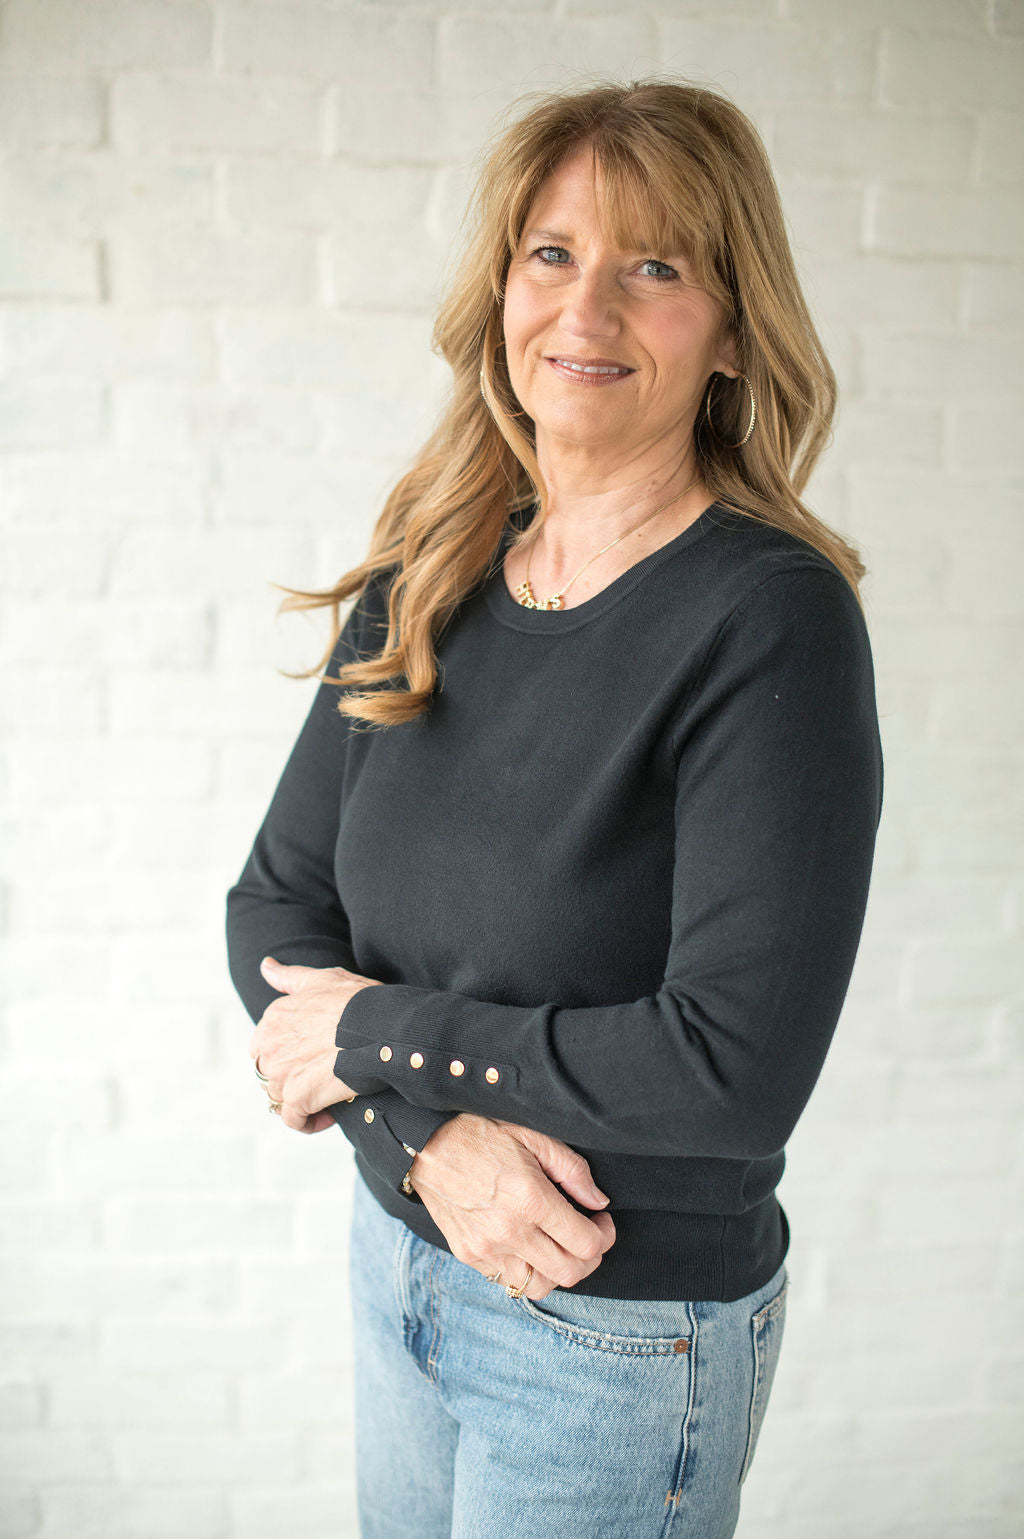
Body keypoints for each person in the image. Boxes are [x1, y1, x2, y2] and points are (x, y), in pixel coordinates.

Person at [226, 76, 883, 1539]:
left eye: (655, 267)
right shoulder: (432, 569)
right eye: (553, 254)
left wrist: (372, 1037)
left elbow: (731, 1071)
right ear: (503, 290)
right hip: (403, 1255)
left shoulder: (768, 619)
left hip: (613, 1337)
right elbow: (277, 911)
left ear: (727, 330)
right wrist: (419, 1145)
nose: (586, 310)